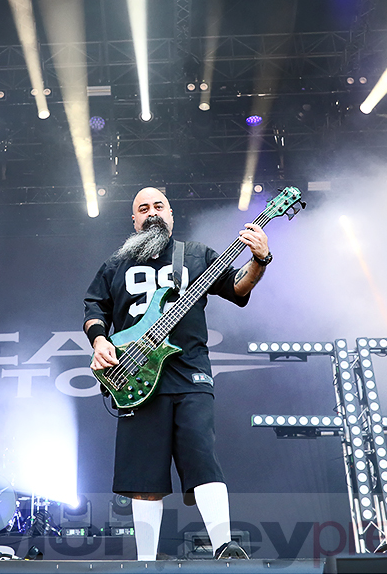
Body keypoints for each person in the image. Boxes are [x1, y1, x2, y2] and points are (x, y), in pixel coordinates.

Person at [83, 187, 272, 560]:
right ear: (133, 220)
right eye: (143, 208)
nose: (151, 212)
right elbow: (94, 308)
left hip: (190, 374)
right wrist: (100, 342)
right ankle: (145, 563)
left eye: (158, 206)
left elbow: (238, 288)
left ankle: (224, 547)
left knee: (202, 456)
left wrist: (260, 259)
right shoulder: (114, 265)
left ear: (171, 214)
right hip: (135, 374)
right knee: (144, 477)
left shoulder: (197, 255)